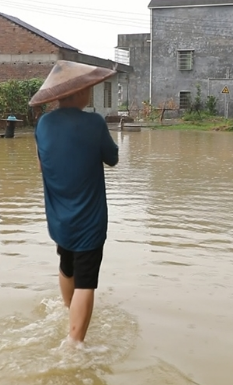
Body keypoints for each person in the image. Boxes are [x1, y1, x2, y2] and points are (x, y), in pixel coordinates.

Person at [30, 60, 119, 343]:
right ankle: (75, 345)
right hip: (89, 221)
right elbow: (113, 158)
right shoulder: (94, 122)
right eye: (89, 88)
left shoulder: (43, 123)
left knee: (66, 265)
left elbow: (43, 164)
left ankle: (68, 311)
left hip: (59, 218)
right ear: (80, 93)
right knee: (86, 282)